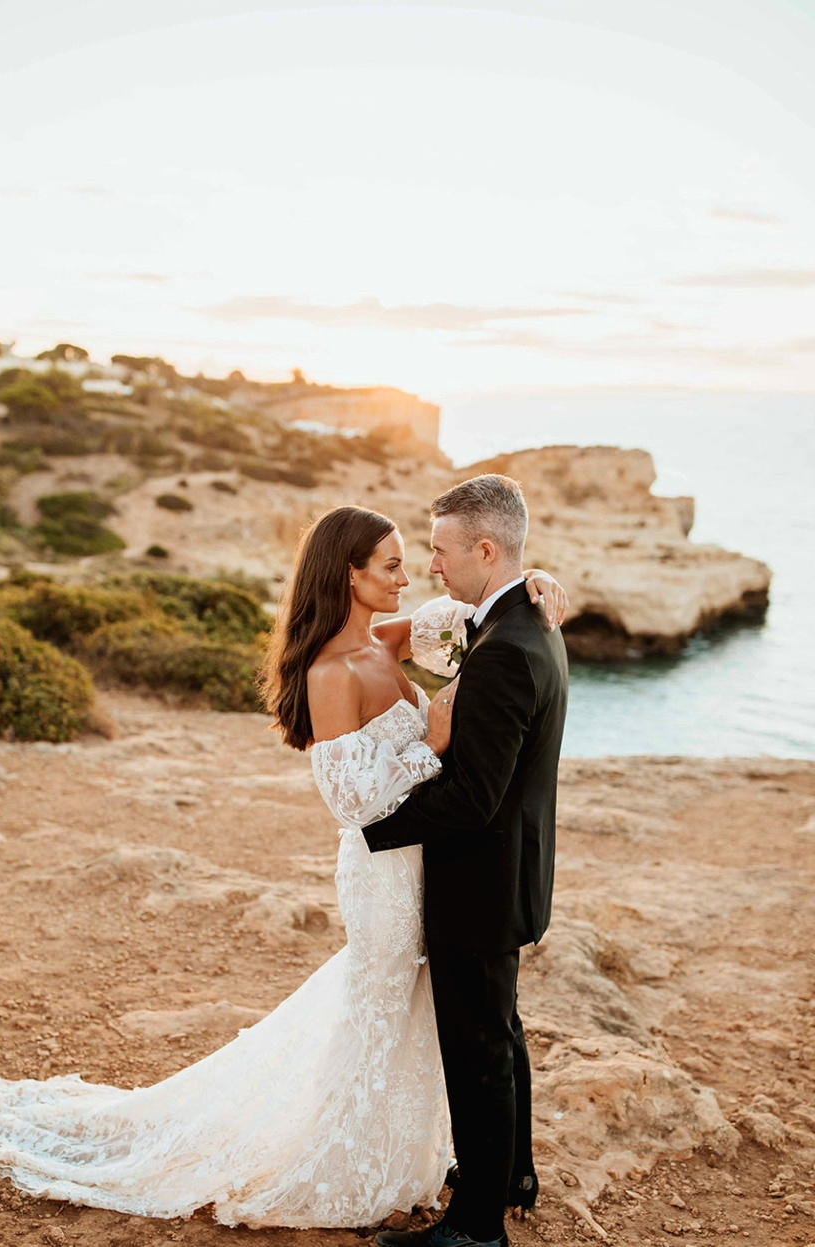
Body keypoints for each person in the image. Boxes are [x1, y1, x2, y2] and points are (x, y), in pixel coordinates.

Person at [0, 503, 566, 1231]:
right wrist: (433, 742)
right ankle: (339, 1157)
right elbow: (350, 801)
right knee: (379, 1007)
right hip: (384, 870)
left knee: (427, 1016)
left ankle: (419, 1155)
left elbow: (471, 615)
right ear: (350, 576)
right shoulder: (330, 670)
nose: (411, 574)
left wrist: (530, 576)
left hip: (428, 861)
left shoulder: (389, 634)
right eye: (391, 564)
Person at [364, 476, 569, 1247]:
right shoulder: (527, 619)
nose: (434, 567)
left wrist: (374, 823)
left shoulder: (508, 648)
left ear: (486, 549)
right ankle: (510, 1170)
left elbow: (473, 797)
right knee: (501, 1029)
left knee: (478, 1047)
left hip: (480, 882)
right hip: (509, 872)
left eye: (443, 551)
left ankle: (478, 1227)